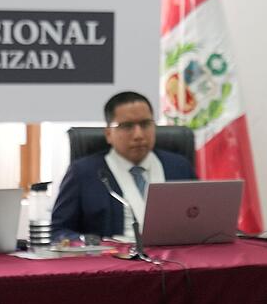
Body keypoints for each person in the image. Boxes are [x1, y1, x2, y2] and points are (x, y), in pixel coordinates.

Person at [51, 91, 197, 242]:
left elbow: (197, 219)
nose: (139, 135)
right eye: (127, 126)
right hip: (112, 255)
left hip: (175, 253)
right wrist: (89, 242)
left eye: (145, 124)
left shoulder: (179, 166)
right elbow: (58, 231)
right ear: (108, 133)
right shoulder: (82, 173)